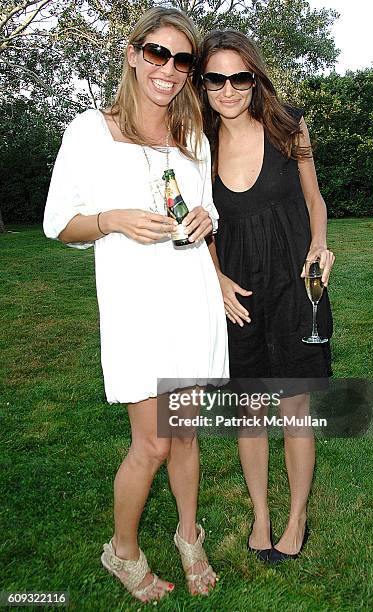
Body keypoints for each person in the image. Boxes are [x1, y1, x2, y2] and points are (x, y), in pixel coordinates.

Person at [43, 7, 229, 602]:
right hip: (137, 306)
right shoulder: (88, 130)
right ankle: (121, 552)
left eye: (182, 61)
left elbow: (205, 208)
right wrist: (110, 220)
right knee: (151, 442)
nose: (169, 70)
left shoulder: (194, 135)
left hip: (191, 296)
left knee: (187, 433)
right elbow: (57, 223)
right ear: (132, 53)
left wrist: (206, 216)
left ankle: (188, 536)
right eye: (157, 54)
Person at [196, 30, 335, 564]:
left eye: (239, 77)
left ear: (254, 77)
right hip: (241, 293)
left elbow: (314, 198)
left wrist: (320, 243)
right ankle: (262, 515)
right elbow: (198, 225)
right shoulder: (197, 145)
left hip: (297, 285)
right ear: (202, 83)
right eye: (215, 79)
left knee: (294, 404)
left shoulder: (287, 125)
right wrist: (216, 278)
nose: (228, 90)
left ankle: (297, 517)